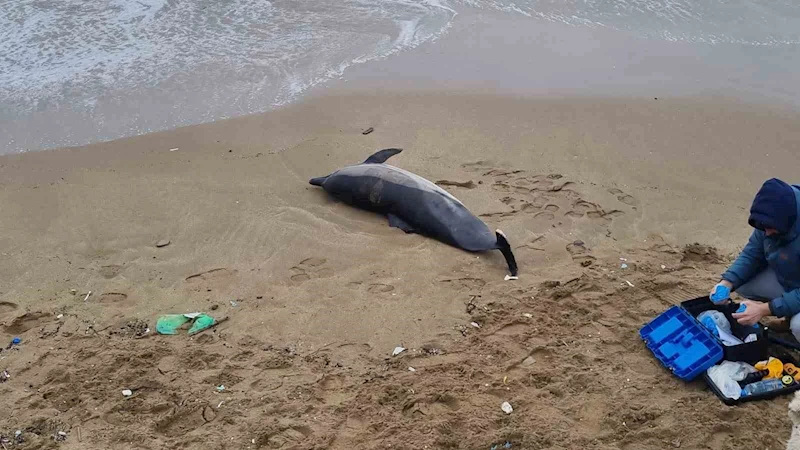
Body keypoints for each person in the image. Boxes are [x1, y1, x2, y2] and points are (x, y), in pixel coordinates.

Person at [710, 178, 800, 340]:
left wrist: (764, 309)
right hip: (795, 280)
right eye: (763, 228)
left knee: (798, 326)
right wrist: (727, 282)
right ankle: (789, 316)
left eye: (770, 228)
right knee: (743, 283)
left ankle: (793, 322)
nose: (767, 233)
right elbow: (752, 254)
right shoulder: (773, 214)